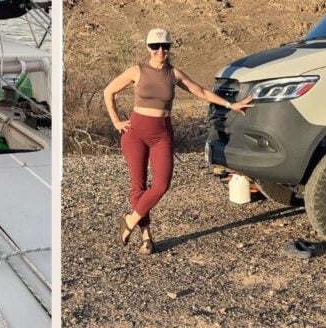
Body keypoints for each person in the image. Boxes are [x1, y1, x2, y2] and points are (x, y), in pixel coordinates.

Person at [104, 28, 253, 254]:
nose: (160, 51)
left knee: (161, 185)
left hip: (161, 135)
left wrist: (230, 105)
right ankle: (146, 238)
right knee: (139, 186)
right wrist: (116, 121)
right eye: (155, 46)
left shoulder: (174, 74)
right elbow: (109, 92)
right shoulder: (136, 70)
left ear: (170, 48)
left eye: (165, 46)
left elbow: (200, 91)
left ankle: (130, 219)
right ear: (148, 48)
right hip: (134, 134)